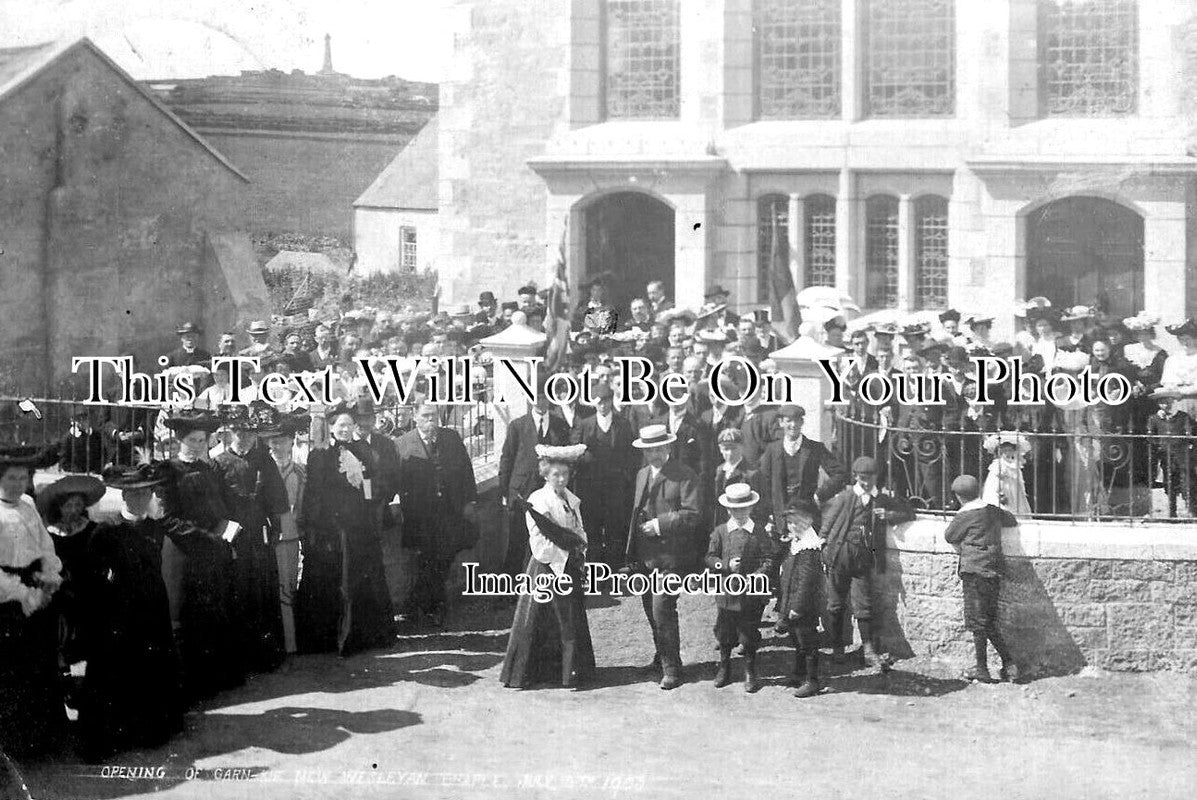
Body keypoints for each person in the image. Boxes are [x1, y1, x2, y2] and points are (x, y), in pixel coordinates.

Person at [75, 463, 183, 762]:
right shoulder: (108, 530)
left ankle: (149, 728)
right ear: (123, 496)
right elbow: (92, 573)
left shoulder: (154, 527)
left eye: (145, 493)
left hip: (152, 604)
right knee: (116, 666)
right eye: (133, 494)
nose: (139, 499)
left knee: (152, 664)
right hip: (119, 608)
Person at [294, 401, 396, 654]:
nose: (345, 429)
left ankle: (359, 636)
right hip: (331, 527)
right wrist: (315, 526)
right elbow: (314, 494)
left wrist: (367, 491)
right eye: (341, 425)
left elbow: (375, 482)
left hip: (358, 525)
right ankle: (327, 638)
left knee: (357, 578)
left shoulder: (364, 450)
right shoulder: (319, 454)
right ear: (331, 427)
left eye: (349, 425)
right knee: (331, 578)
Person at [159, 412, 244, 698]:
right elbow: (168, 518)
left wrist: (227, 531)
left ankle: (211, 678)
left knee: (210, 611)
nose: (196, 445)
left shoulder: (211, 470)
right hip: (183, 552)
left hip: (212, 551)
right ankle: (186, 684)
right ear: (179, 441)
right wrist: (208, 539)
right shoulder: (168, 471)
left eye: (201, 440)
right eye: (191, 440)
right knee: (183, 613)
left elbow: (224, 508)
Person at [500, 444, 596, 689]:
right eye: (556, 475)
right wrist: (564, 557)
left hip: (569, 566)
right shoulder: (538, 500)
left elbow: (579, 529)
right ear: (545, 474)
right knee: (541, 622)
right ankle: (533, 673)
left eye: (565, 474)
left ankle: (569, 672)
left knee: (570, 620)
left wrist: (579, 548)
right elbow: (539, 542)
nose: (561, 479)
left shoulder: (570, 499)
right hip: (547, 568)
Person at [0, 445, 66, 758]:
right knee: (11, 671)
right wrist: (24, 594)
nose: (17, 484)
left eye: (22, 477)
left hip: (37, 588)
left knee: (40, 666)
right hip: (8, 599)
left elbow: (44, 543)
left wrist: (49, 574)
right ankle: (14, 745)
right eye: (10, 478)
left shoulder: (27, 503)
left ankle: (42, 739)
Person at [212, 407, 289, 672]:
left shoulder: (263, 459)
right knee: (237, 588)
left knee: (262, 588)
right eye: (238, 432)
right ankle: (239, 655)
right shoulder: (219, 462)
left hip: (258, 532)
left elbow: (275, 496)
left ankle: (265, 654)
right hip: (234, 534)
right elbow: (216, 502)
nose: (243, 437)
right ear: (229, 433)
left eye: (248, 433)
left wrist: (275, 524)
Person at [820, 456, 914, 670]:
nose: (866, 483)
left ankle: (869, 650)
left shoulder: (881, 499)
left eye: (869, 478)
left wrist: (888, 514)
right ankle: (837, 648)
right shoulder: (845, 497)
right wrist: (824, 549)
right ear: (855, 477)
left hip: (862, 560)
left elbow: (909, 513)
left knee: (863, 605)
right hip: (840, 555)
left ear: (876, 477)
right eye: (862, 478)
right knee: (835, 604)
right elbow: (827, 525)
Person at [625, 424, 700, 690]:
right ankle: (662, 656)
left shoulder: (684, 474)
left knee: (663, 609)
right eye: (648, 450)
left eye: (657, 448)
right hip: (647, 557)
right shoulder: (642, 474)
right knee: (650, 609)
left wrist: (659, 524)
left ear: (667, 447)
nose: (653, 454)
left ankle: (671, 668)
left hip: (673, 557)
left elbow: (692, 515)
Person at [395, 402, 478, 626]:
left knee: (444, 557)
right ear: (415, 416)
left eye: (434, 415)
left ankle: (425, 605)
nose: (431, 420)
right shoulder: (402, 444)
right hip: (420, 515)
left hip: (449, 512)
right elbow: (395, 480)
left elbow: (466, 470)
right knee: (425, 559)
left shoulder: (451, 438)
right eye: (426, 416)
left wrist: (470, 501)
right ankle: (430, 606)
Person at [943, 475, 1020, 683]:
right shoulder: (992, 511)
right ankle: (1009, 665)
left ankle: (983, 669)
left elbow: (949, 535)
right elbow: (1011, 519)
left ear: (959, 497)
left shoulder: (964, 515)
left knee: (977, 621)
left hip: (974, 571)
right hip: (993, 569)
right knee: (988, 620)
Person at [704, 482, 776, 693]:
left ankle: (750, 670)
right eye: (735, 510)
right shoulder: (720, 532)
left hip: (750, 593)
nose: (740, 514)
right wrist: (724, 565)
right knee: (725, 632)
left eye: (744, 509)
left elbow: (768, 559)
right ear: (728, 510)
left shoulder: (758, 532)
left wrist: (757, 575)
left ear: (751, 508)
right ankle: (724, 667)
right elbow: (710, 557)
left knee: (749, 632)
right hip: (726, 592)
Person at [37, 475, 104, 676]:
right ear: (59, 507)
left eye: (77, 505)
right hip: (59, 592)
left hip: (87, 590)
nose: (73, 510)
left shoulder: (93, 530)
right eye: (68, 505)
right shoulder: (49, 533)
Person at [498, 394, 571, 575]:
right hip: (522, 492)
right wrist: (505, 492)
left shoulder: (560, 425)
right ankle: (511, 589)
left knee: (550, 539)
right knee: (518, 540)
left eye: (545, 396)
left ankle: (547, 587)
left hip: (550, 492)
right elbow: (507, 458)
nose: (540, 401)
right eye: (536, 396)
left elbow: (566, 459)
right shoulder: (518, 426)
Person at [571, 388, 637, 567]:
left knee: (614, 529)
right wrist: (588, 459)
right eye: (598, 401)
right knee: (592, 529)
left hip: (615, 488)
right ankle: (595, 570)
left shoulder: (623, 424)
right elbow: (574, 453)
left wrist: (625, 477)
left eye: (605, 401)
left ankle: (613, 569)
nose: (602, 405)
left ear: (611, 401)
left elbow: (632, 454)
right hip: (590, 488)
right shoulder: (584, 424)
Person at [759, 405, 847, 525]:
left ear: (802, 422)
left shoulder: (815, 448)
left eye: (797, 420)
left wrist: (819, 496)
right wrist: (769, 510)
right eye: (788, 421)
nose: (793, 425)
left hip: (808, 515)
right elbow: (763, 481)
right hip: (779, 518)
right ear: (781, 423)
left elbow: (840, 474)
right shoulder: (772, 450)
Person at [775, 499, 825, 698]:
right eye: (789, 522)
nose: (792, 526)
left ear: (809, 521)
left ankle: (812, 680)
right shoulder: (796, 543)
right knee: (795, 637)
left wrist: (797, 606)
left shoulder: (809, 548)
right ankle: (798, 672)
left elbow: (806, 581)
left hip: (804, 604)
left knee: (807, 640)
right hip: (792, 598)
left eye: (797, 522)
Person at [264, 426, 305, 654]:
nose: (279, 447)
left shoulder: (300, 471)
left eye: (284, 442)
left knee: (287, 588)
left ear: (292, 443)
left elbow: (302, 505)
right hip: (266, 534)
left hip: (289, 534)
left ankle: (289, 644)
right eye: (274, 442)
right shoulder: (262, 468)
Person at [982, 432, 1033, 516]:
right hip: (1003, 492)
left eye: (1010, 450)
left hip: (1014, 491)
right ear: (1000, 452)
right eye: (1005, 451)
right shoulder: (998, 465)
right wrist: (1000, 494)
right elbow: (995, 483)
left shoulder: (1015, 464)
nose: (1007, 453)